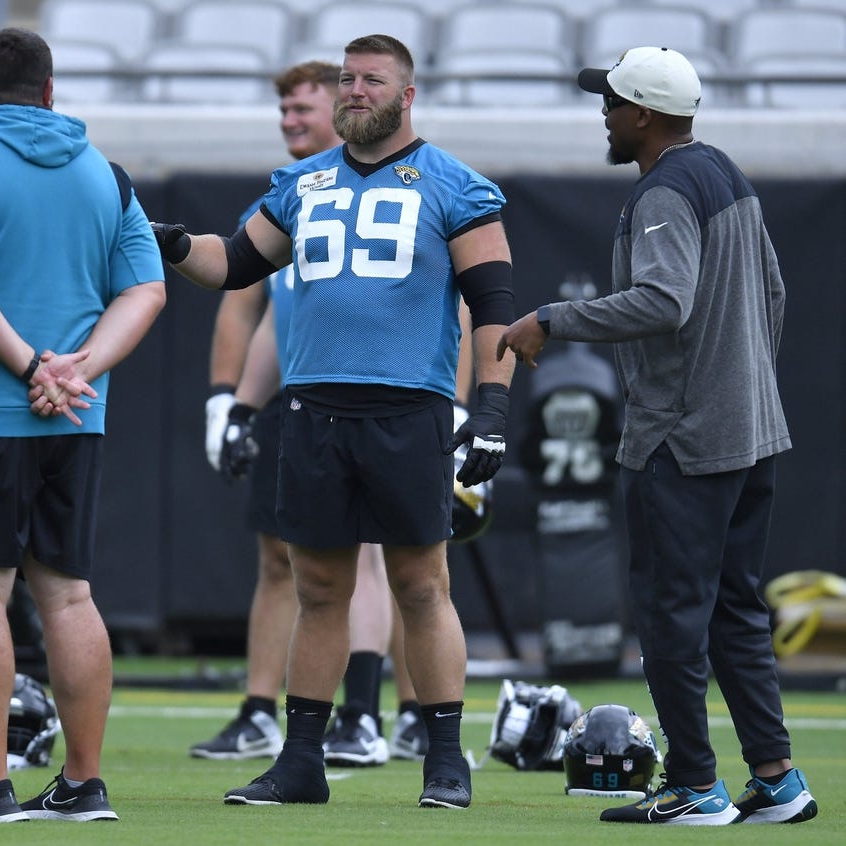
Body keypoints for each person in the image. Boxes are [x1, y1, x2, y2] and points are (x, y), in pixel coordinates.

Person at [153, 34, 515, 809]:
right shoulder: (302, 182)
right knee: (318, 588)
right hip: (314, 409)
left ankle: (444, 757)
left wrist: (488, 408)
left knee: (422, 584)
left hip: (408, 407)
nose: (354, 91)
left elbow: (494, 307)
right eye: (346, 79)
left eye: (371, 80)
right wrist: (174, 244)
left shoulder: (457, 185)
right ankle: (302, 760)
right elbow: (235, 265)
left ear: (406, 94)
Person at [498, 46, 818, 827]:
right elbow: (773, 290)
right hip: (749, 432)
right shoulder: (725, 174)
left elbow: (662, 302)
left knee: (672, 613)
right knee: (733, 610)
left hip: (686, 440)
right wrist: (744, 391)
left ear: (642, 113)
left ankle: (695, 785)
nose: (602, 115)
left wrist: (551, 318)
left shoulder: (665, 190)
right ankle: (776, 780)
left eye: (610, 103)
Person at [0, 28, 165, 822]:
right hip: (73, 418)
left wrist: (31, 369)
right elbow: (147, 291)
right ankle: (83, 784)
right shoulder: (106, 174)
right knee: (70, 596)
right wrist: (77, 371)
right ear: (51, 92)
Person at [191, 59, 428, 769]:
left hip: (387, 401)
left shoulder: (405, 186)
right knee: (289, 562)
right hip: (306, 403)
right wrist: (231, 403)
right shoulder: (294, 194)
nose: (291, 121)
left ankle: (381, 713)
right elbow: (265, 315)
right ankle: (271, 711)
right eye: (284, 111)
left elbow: (460, 310)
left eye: (305, 108)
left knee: (389, 568)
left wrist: (467, 409)